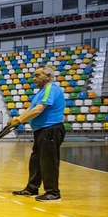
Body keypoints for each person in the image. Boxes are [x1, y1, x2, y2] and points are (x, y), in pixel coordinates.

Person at [10, 65, 66, 202]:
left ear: (48, 76)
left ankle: (53, 192)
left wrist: (20, 121)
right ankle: (32, 188)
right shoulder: (41, 92)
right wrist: (16, 120)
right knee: (36, 160)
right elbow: (31, 109)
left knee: (48, 161)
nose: (34, 78)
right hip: (42, 130)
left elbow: (38, 110)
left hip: (50, 129)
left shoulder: (50, 89)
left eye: (37, 75)